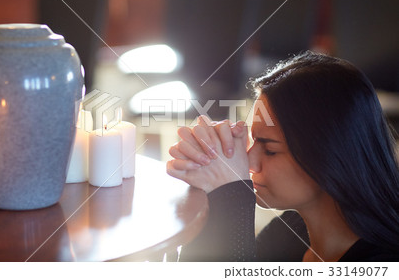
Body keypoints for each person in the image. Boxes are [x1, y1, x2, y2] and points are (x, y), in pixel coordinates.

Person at [166, 51, 399, 262]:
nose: (249, 162)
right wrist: (208, 190)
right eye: (253, 141)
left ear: (329, 155)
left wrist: (232, 197)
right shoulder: (287, 234)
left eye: (270, 150)